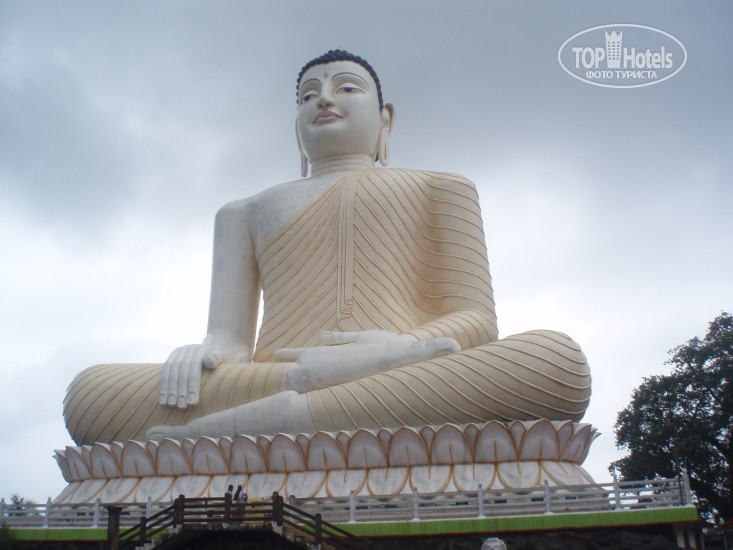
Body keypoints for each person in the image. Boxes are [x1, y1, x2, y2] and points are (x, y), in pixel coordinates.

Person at [63, 50, 591, 445]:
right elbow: (230, 338)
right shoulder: (243, 212)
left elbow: (476, 322)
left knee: (556, 361)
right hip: (278, 377)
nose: (324, 99)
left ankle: (243, 430)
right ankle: (291, 411)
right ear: (296, 127)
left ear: (385, 119)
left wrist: (397, 348)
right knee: (89, 394)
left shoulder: (441, 187)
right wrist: (206, 352)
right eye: (308, 95)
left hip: (406, 366)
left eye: (347, 88)